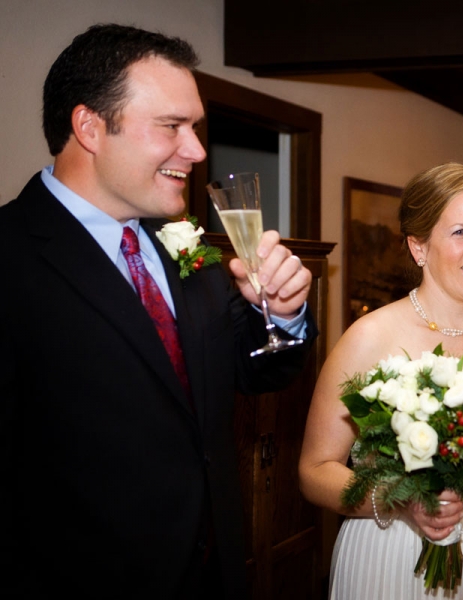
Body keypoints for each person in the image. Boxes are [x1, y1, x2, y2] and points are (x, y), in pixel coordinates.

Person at [0, 24, 316, 599]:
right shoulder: (12, 253)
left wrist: (285, 314)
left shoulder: (184, 247)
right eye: (172, 126)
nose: (196, 150)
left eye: (195, 127)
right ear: (90, 127)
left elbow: (254, 370)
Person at [299, 162, 463, 599]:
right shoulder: (370, 337)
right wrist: (400, 501)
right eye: (461, 232)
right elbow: (313, 472)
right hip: (388, 555)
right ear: (418, 247)